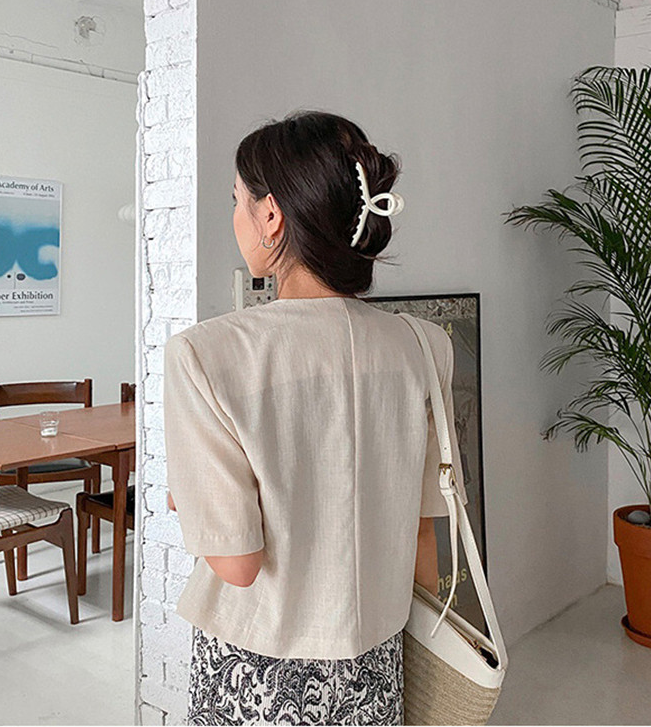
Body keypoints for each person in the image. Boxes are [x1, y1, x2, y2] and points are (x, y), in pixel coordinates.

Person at [163, 109, 468, 726]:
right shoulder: (424, 346)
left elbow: (238, 566)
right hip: (374, 660)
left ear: (272, 215)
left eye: (237, 201)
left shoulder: (205, 355)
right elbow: (422, 535)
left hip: (257, 672)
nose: (235, 216)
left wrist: (190, 498)